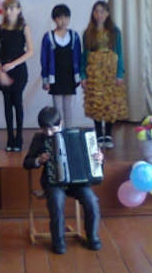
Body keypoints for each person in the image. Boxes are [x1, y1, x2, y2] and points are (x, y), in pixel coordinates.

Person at [23, 107, 103, 255]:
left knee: (91, 200)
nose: (48, 133)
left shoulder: (78, 136)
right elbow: (27, 162)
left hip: (77, 182)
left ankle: (92, 236)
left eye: (52, 129)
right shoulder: (39, 138)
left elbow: (93, 163)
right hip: (53, 181)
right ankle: (58, 239)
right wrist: (38, 160)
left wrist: (99, 160)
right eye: (45, 130)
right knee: (56, 201)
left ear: (60, 123)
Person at [81, 1, 128, 149]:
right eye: (96, 11)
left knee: (110, 101)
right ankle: (99, 133)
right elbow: (84, 55)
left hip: (110, 70)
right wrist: (83, 75)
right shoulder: (88, 33)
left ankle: (108, 133)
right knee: (96, 100)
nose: (99, 14)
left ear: (107, 13)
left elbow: (119, 53)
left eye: (102, 11)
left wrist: (119, 73)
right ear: (92, 13)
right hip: (94, 71)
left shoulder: (115, 32)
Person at [0, 0, 34, 151]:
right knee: (7, 104)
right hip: (3, 69)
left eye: (12, 8)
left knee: (18, 102)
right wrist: (0, 70)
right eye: (6, 9)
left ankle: (19, 137)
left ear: (18, 10)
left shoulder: (24, 28)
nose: (8, 12)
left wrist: (14, 64)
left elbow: (30, 51)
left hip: (18, 70)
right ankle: (10, 138)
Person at [40, 4, 82, 129]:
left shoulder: (74, 36)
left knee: (68, 106)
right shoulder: (48, 37)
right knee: (57, 107)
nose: (63, 21)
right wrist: (45, 79)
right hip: (55, 77)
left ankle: (68, 130)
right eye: (60, 18)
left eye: (66, 17)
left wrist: (78, 77)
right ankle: (58, 131)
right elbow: (44, 59)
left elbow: (78, 57)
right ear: (54, 19)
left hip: (69, 76)